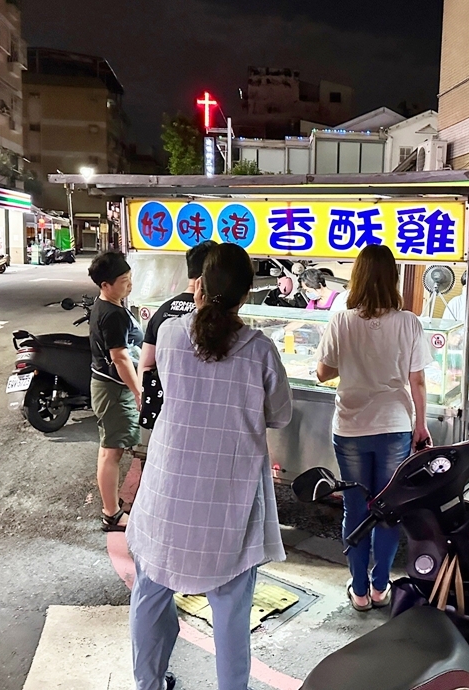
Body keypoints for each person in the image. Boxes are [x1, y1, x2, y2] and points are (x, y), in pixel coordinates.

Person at [126, 243, 293, 690]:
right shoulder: (260, 350)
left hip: (169, 489)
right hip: (229, 498)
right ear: (245, 294)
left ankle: (148, 684)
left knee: (150, 594)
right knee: (231, 615)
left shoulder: (171, 335)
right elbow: (280, 415)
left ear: (199, 284)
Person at [315, 245, 433, 611]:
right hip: (395, 425)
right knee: (387, 509)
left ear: (357, 277)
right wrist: (420, 425)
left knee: (355, 508)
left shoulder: (341, 319)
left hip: (350, 426)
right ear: (393, 278)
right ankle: (381, 587)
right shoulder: (409, 322)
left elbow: (323, 373)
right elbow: (418, 382)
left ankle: (360, 591)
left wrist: (350, 364)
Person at [88, 251, 144, 532]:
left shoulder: (107, 306)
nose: (129, 284)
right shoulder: (112, 314)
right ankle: (112, 514)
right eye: (123, 280)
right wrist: (138, 391)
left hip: (106, 386)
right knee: (112, 453)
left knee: (108, 449)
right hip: (113, 390)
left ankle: (111, 509)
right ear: (105, 285)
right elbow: (121, 358)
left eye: (130, 278)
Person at [138, 240, 217, 380]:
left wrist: (143, 398)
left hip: (164, 398)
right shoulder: (211, 315)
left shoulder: (162, 311)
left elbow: (145, 365)